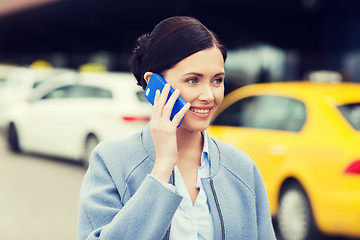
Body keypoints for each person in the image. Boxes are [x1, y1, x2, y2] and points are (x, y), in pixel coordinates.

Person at [78, 16, 276, 240]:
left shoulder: (242, 168)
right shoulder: (111, 162)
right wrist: (162, 168)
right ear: (155, 84)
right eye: (193, 80)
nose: (209, 96)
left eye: (217, 80)